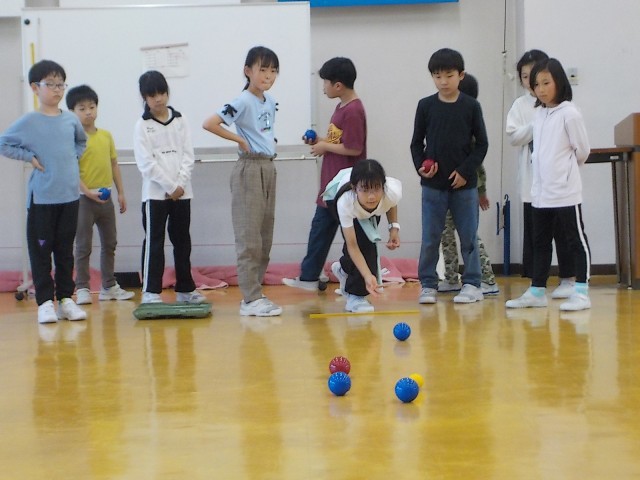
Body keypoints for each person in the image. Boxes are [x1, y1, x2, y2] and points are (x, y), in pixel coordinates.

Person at [0, 59, 87, 324]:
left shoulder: (71, 119)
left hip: (69, 197)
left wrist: (72, 158)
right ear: (35, 88)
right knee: (41, 251)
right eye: (51, 84)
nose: (57, 89)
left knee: (65, 251)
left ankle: (66, 299)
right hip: (42, 200)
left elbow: (81, 142)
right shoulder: (29, 121)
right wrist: (29, 157)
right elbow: (4, 143)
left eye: (61, 84)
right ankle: (45, 302)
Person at [506, 58, 591, 311]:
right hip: (540, 193)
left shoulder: (569, 113)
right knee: (540, 242)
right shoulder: (539, 114)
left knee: (575, 240)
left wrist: (563, 173)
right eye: (536, 84)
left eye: (546, 83)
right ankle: (537, 291)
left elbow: (582, 151)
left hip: (565, 192)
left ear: (559, 82)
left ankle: (581, 292)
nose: (541, 89)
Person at [202, 46, 282, 317]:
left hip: (268, 166)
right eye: (263, 69)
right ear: (248, 71)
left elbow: (264, 130)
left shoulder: (269, 101)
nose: (268, 75)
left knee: (265, 237)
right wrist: (239, 140)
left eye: (273, 70)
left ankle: (255, 292)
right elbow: (210, 123)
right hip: (249, 168)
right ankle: (250, 298)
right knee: (249, 238)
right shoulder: (243, 100)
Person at [410, 48, 488, 304]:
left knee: (469, 237)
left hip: (464, 186)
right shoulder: (425, 106)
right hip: (433, 185)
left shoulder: (471, 106)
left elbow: (482, 144)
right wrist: (421, 166)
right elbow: (416, 143)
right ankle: (428, 284)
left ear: (461, 75)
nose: (443, 81)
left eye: (449, 75)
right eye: (437, 76)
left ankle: (473, 283)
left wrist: (465, 171)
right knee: (430, 237)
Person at [282, 57, 367, 292]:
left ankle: (352, 278)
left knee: (351, 235)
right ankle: (309, 277)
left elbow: (354, 148)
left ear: (338, 85)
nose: (323, 88)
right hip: (331, 185)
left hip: (344, 186)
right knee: (320, 230)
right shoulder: (341, 108)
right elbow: (338, 142)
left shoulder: (353, 110)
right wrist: (319, 141)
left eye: (325, 83)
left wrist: (324, 146)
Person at [133, 70, 206, 305]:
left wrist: (180, 185)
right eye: (152, 95)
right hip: (155, 195)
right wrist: (170, 186)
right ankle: (151, 291)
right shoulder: (142, 125)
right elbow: (146, 164)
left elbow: (188, 155)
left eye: (162, 93)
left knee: (182, 242)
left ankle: (185, 289)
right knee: (154, 242)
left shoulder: (181, 120)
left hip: (182, 194)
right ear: (144, 97)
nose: (159, 99)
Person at [66, 85, 134, 305]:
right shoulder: (73, 139)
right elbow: (70, 169)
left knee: (110, 242)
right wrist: (87, 191)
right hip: (83, 200)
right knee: (83, 245)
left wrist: (121, 192)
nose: (88, 112)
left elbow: (113, 164)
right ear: (72, 112)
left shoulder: (106, 136)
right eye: (82, 108)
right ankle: (82, 288)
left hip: (105, 199)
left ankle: (109, 286)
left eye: (92, 107)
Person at [437, 73, 499, 296]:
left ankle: (488, 279)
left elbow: (477, 165)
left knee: (469, 235)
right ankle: (451, 277)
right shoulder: (447, 121)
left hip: (466, 191)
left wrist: (481, 191)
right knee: (445, 233)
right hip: (444, 188)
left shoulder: (470, 124)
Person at [325, 159, 401, 313]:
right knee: (365, 247)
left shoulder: (390, 192)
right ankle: (356, 296)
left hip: (368, 210)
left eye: (376, 189)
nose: (371, 196)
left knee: (366, 242)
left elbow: (391, 203)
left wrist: (393, 228)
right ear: (355, 188)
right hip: (335, 199)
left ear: (383, 187)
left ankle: (343, 268)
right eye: (365, 190)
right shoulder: (345, 202)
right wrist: (367, 276)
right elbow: (352, 245)